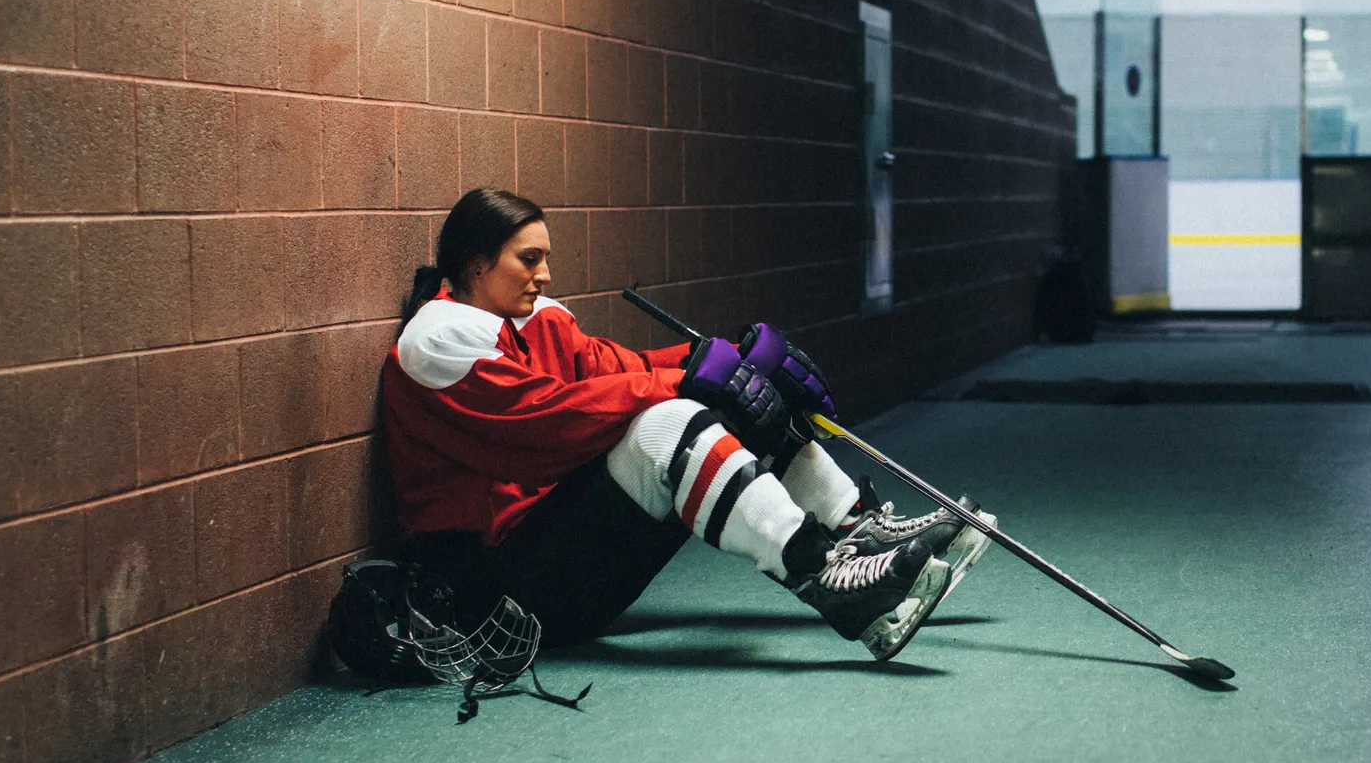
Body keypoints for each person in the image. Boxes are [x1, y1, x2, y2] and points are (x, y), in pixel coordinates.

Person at [372, 187, 991, 666]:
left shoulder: (536, 321)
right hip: (500, 594)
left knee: (741, 402)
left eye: (546, 259)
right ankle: (827, 576)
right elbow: (544, 428)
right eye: (529, 259)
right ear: (477, 266)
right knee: (667, 423)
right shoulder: (437, 342)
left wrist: (730, 360)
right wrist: (691, 379)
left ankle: (860, 531)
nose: (547, 274)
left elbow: (618, 370)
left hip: (557, 558)